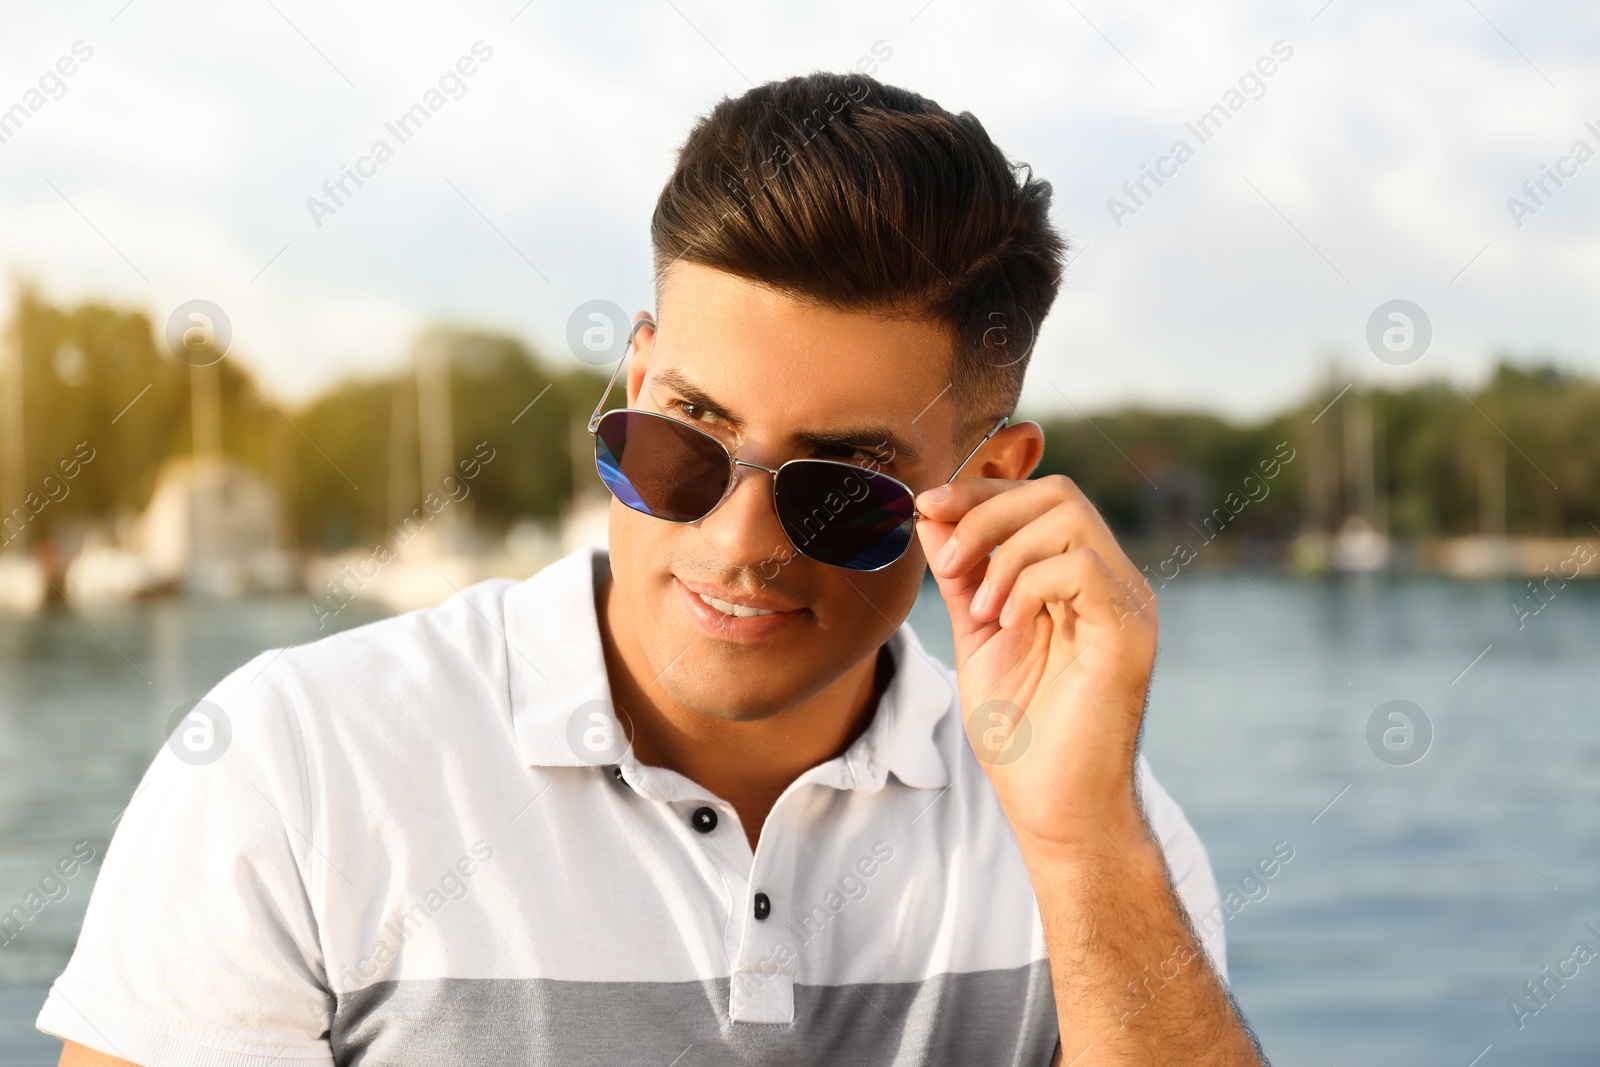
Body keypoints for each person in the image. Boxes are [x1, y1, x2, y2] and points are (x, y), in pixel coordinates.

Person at [44, 72, 1265, 1065]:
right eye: (686, 439)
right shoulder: (296, 767)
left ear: (989, 484)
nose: (738, 542)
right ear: (635, 382)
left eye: (839, 485)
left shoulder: (1100, 832)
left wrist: (1081, 847)